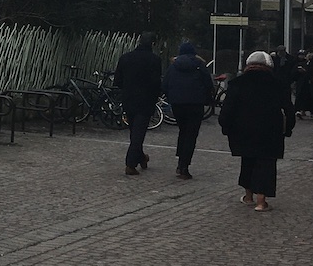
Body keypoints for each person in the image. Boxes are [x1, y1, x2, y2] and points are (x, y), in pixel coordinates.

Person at [218, 51, 295, 212]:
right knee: (266, 163)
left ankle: (248, 196)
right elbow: (288, 109)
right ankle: (261, 201)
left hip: (242, 130)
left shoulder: (237, 83)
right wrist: (288, 129)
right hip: (270, 130)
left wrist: (226, 127)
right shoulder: (279, 84)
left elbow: (227, 110)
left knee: (247, 161)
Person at [114, 31, 164, 176]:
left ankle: (141, 157)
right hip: (146, 100)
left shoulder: (126, 58)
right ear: (152, 44)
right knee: (138, 133)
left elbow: (118, 80)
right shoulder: (155, 60)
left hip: (129, 99)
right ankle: (130, 164)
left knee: (134, 131)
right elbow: (156, 82)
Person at [161, 41, 213, 179]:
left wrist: (171, 96)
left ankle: (180, 161)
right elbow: (208, 83)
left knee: (183, 131)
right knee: (191, 134)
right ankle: (184, 165)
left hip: (177, 104)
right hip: (196, 104)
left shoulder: (173, 66)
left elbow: (165, 85)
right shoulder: (199, 65)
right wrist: (207, 99)